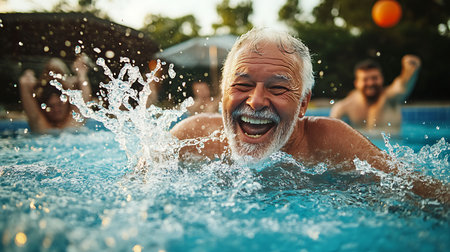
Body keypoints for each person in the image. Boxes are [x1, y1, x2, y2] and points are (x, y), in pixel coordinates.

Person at [170, 28, 447, 204]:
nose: (255, 101)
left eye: (278, 88)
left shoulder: (330, 143)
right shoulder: (190, 140)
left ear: (303, 104)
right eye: (241, 85)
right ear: (223, 92)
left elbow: (424, 193)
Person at [330, 55, 421, 131]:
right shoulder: (344, 107)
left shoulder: (391, 98)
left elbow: (402, 86)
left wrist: (410, 71)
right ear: (357, 83)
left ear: (381, 79)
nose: (370, 83)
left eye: (374, 78)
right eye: (365, 80)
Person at [19, 56, 92, 133]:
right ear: (44, 107)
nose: (56, 109)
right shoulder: (39, 123)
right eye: (51, 106)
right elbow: (24, 83)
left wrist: (81, 75)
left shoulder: (74, 120)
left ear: (67, 103)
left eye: (59, 104)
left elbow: (85, 98)